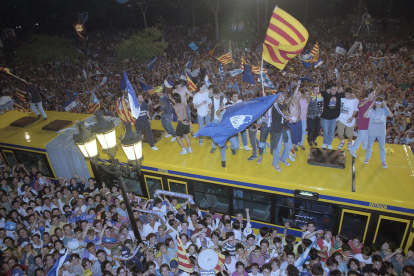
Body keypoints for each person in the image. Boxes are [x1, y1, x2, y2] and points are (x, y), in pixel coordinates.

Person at [363, 96, 393, 168]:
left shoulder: (384, 109)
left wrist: (385, 106)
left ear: (382, 103)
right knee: (369, 145)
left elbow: (391, 115)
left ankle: (383, 161)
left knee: (382, 147)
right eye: (376, 103)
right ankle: (367, 157)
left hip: (381, 132)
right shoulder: (372, 110)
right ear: (374, 103)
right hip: (372, 131)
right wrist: (370, 106)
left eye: (380, 103)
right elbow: (364, 115)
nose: (378, 104)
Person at [269, 92, 296, 172]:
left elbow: (292, 97)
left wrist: (298, 86)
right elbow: (283, 112)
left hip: (285, 128)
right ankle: (275, 163)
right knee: (278, 148)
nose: (281, 97)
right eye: (279, 96)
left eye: (283, 96)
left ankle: (283, 159)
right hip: (277, 130)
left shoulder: (283, 104)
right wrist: (291, 116)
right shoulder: (275, 106)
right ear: (276, 98)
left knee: (288, 146)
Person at [349, 88, 377, 158]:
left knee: (367, 135)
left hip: (369, 121)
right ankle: (353, 149)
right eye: (372, 93)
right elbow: (359, 106)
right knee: (361, 136)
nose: (374, 95)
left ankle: (365, 146)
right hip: (362, 120)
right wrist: (368, 99)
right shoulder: (363, 101)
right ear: (368, 94)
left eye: (374, 93)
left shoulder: (374, 102)